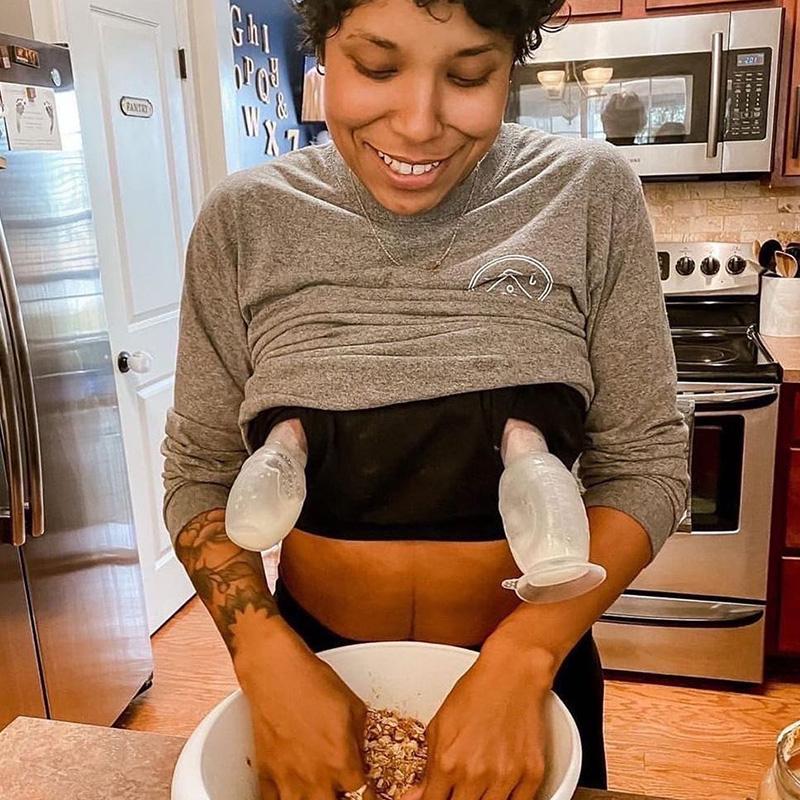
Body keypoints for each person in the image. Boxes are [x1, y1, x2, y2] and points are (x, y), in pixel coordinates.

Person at [161, 1, 689, 799]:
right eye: (376, 67)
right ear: (323, 54)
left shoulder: (588, 195)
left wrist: (526, 657)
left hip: (525, 683)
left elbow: (647, 464)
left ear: (512, 65)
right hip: (308, 671)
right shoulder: (245, 219)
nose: (417, 123)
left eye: (468, 74)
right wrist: (260, 651)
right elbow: (199, 470)